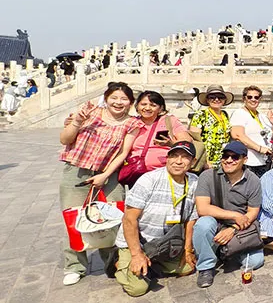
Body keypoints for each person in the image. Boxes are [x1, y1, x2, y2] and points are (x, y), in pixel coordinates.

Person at [58, 83, 142, 286]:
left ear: (130, 103)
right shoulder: (90, 113)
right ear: (106, 98)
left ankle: (112, 261)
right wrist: (77, 121)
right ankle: (74, 266)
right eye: (114, 97)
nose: (118, 102)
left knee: (114, 216)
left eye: (124, 99)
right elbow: (64, 139)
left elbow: (123, 152)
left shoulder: (132, 123)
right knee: (74, 217)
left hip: (108, 175)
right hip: (76, 170)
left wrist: (105, 175)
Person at [114, 142, 199, 297]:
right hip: (138, 241)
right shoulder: (149, 180)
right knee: (137, 289)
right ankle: (121, 261)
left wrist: (188, 250)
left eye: (185, 157)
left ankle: (150, 263)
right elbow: (129, 220)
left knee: (188, 268)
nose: (178, 161)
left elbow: (191, 220)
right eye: (174, 156)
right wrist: (136, 254)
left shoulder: (194, 182)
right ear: (167, 159)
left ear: (193, 162)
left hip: (163, 243)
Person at [192, 141, 264, 288]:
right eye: (225, 156)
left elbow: (252, 213)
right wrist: (234, 215)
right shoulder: (207, 176)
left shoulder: (253, 181)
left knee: (255, 262)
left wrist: (233, 229)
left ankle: (227, 250)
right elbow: (202, 208)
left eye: (235, 157)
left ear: (245, 159)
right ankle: (206, 267)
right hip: (216, 222)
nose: (229, 160)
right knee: (203, 224)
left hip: (239, 227)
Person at [125, 91, 192, 180]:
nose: (147, 108)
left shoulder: (169, 120)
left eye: (153, 105)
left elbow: (186, 142)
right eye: (143, 104)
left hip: (165, 173)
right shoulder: (131, 122)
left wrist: (171, 144)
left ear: (160, 108)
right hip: (136, 172)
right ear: (137, 106)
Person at [230, 86, 273, 177]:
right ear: (244, 99)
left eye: (256, 97)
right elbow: (237, 135)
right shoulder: (239, 113)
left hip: (263, 161)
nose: (253, 100)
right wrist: (259, 148)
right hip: (248, 161)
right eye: (250, 97)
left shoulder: (262, 116)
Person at [189, 85, 233, 168]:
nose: (216, 99)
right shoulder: (201, 115)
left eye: (220, 97)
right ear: (207, 100)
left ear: (224, 100)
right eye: (212, 97)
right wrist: (204, 161)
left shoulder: (225, 115)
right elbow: (195, 139)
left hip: (223, 161)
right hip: (206, 162)